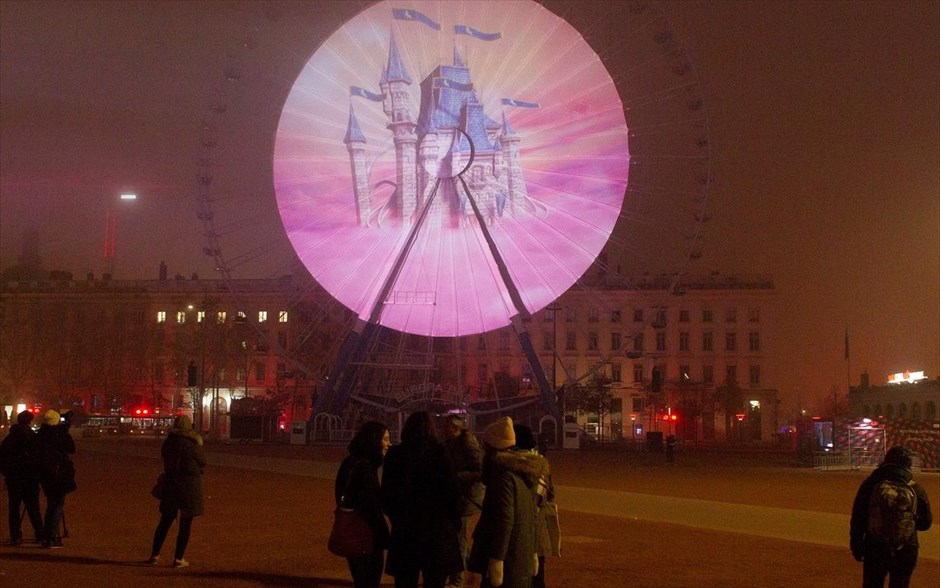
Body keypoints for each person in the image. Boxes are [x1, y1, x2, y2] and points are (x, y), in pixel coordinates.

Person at [382, 411, 463, 588]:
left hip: (406, 530)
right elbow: (452, 491)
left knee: (405, 581)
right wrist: (454, 522)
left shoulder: (395, 455)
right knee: (435, 580)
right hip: (436, 531)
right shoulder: (440, 454)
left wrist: (398, 518)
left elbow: (387, 494)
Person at [468, 416, 544, 588]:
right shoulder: (522, 473)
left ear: (492, 448)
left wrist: (497, 560)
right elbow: (533, 516)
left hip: (506, 562)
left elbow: (504, 520)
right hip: (519, 557)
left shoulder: (503, 476)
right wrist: (533, 551)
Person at [850, 445, 933, 588]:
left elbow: (858, 518)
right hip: (906, 548)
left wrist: (857, 546)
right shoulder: (915, 488)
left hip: (874, 547)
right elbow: (925, 524)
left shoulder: (870, 484)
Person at [335, 421, 391, 588]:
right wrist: (382, 534)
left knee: (360, 578)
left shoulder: (350, 462)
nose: (389, 443)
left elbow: (340, 493)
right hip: (365, 535)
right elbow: (371, 506)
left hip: (351, 530)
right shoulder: (365, 467)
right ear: (375, 441)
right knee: (370, 579)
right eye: (386, 439)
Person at [146, 415, 207, 568]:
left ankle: (155, 555)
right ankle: (178, 558)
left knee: (165, 521)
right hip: (189, 485)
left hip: (171, 483)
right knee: (185, 524)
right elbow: (202, 461)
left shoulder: (168, 443)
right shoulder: (192, 443)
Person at [513, 424, 560, 588]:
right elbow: (550, 496)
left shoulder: (517, 469)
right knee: (538, 575)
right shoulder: (541, 467)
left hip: (524, 533)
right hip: (538, 532)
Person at [443, 415, 484, 588]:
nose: (446, 430)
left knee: (458, 538)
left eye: (449, 427)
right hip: (458, 496)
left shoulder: (468, 443)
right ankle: (477, 566)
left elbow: (479, 471)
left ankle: (457, 581)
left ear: (456, 428)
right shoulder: (451, 443)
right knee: (456, 537)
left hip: (466, 497)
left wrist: (455, 476)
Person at [0, 410, 45, 545]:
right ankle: (40, 534)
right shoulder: (33, 438)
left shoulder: (9, 440)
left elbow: (2, 460)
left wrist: (7, 474)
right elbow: (38, 459)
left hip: (13, 479)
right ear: (30, 422)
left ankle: (15, 536)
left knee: (14, 509)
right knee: (33, 508)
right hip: (30, 478)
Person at [36, 409, 76, 549]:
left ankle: (47, 536)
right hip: (58, 474)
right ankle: (51, 538)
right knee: (56, 506)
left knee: (51, 504)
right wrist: (64, 430)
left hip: (44, 475)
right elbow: (71, 448)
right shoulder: (60, 434)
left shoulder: (40, 435)